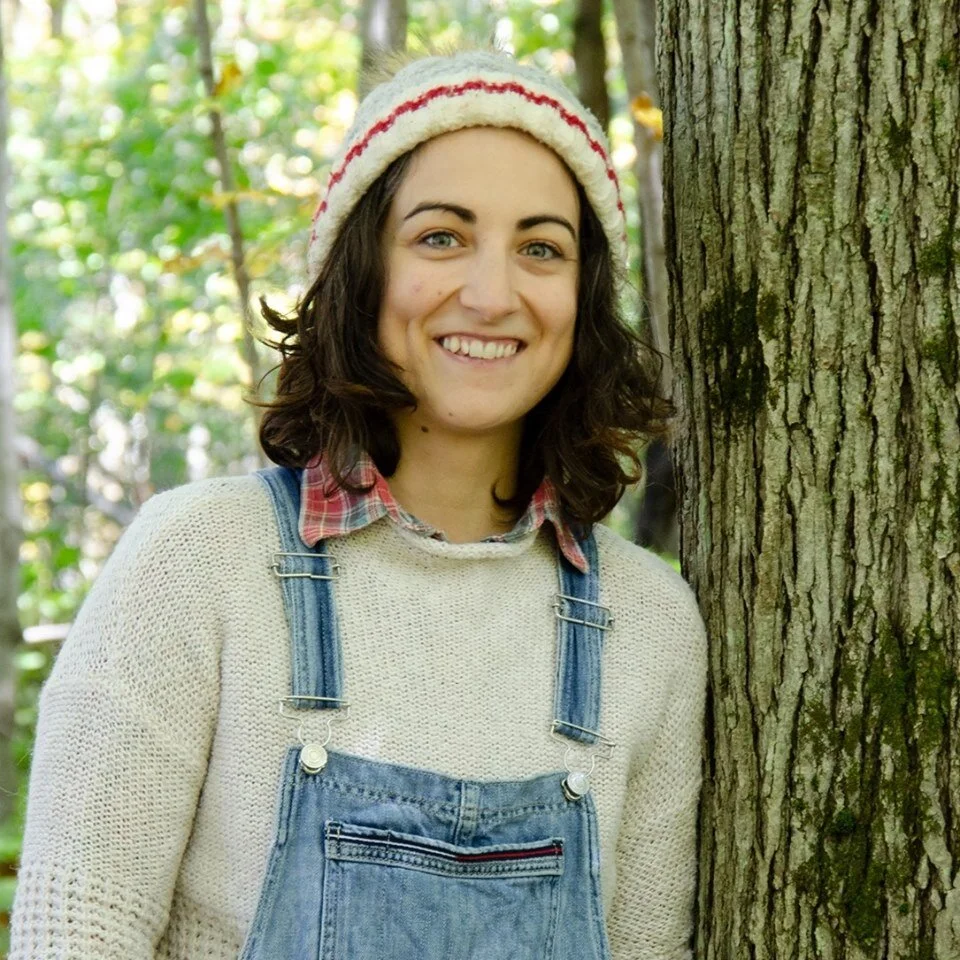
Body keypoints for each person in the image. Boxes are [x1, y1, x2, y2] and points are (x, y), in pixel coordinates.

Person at [10, 42, 708, 960]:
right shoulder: (198, 562)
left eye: (541, 248)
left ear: (584, 296)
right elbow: (72, 938)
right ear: (360, 269)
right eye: (441, 237)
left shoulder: (648, 627)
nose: (492, 293)